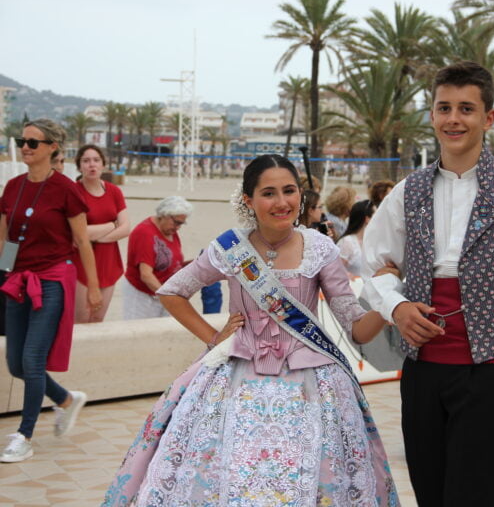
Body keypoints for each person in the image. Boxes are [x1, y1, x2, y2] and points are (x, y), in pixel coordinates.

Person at [102, 154, 400, 506]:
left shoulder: (319, 248)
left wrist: (388, 298)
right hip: (235, 375)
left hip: (314, 384)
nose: (281, 202)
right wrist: (213, 337)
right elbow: (172, 292)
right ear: (249, 200)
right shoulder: (230, 248)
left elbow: (357, 329)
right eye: (269, 193)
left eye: (289, 191)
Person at [363, 61, 494, 506]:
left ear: (489, 118)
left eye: (466, 108)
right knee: (430, 491)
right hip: (421, 370)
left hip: (489, 371)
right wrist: (397, 307)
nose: (454, 119)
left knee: (473, 495)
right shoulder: (409, 191)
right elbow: (371, 265)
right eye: (444, 108)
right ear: (432, 114)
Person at [0, 119, 101, 463]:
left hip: (53, 281)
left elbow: (82, 242)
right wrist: (3, 276)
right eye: (22, 140)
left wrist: (94, 287)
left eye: (33, 142)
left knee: (32, 359)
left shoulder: (65, 190)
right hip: (17, 281)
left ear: (52, 148)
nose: (25, 147)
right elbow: (7, 240)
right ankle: (66, 400)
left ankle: (24, 435)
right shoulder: (12, 187)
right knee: (15, 363)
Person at [71, 145, 130, 323]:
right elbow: (77, 234)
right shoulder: (73, 192)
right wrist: (112, 225)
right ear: (79, 166)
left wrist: (96, 237)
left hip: (108, 261)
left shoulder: (114, 191)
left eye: (96, 160)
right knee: (81, 320)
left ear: (103, 165)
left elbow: (126, 228)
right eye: (86, 161)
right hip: (80, 263)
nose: (91, 165)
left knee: (98, 319)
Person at [123, 196, 191, 320]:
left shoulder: (170, 231)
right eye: (176, 222)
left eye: (181, 223)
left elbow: (174, 264)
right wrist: (167, 297)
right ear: (164, 215)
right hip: (143, 294)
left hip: (163, 291)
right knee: (139, 331)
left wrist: (195, 263)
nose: (178, 227)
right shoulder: (145, 234)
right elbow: (146, 275)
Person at [337, 199, 375, 279]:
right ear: (367, 219)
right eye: (376, 215)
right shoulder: (347, 242)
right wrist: (347, 275)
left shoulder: (372, 241)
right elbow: (336, 270)